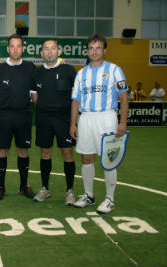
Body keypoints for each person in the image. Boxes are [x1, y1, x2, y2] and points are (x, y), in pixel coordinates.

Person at [70, 34, 129, 214]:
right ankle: (89, 195)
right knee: (86, 157)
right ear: (87, 51)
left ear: (104, 50)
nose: (94, 52)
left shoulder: (115, 70)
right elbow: (75, 101)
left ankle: (109, 199)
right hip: (86, 118)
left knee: (108, 159)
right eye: (91, 48)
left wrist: (123, 122)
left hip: (107, 118)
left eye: (97, 48)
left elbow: (124, 97)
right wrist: (73, 123)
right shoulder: (81, 73)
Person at [0, 34, 36, 201]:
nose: (15, 49)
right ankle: (0, 186)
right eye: (12, 46)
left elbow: (41, 82)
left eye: (19, 46)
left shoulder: (31, 68)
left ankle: (24, 186)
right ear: (8, 48)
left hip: (24, 115)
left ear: (23, 49)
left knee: (23, 150)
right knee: (3, 150)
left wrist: (61, 63)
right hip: (5, 115)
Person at [31, 40, 77, 205]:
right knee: (45, 153)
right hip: (43, 118)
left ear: (59, 51)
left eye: (53, 49)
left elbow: (76, 97)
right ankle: (45, 189)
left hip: (63, 119)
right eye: (46, 49)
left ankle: (70, 191)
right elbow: (34, 97)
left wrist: (72, 121)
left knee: (67, 153)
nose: (49, 52)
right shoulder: (36, 73)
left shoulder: (69, 70)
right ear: (41, 53)